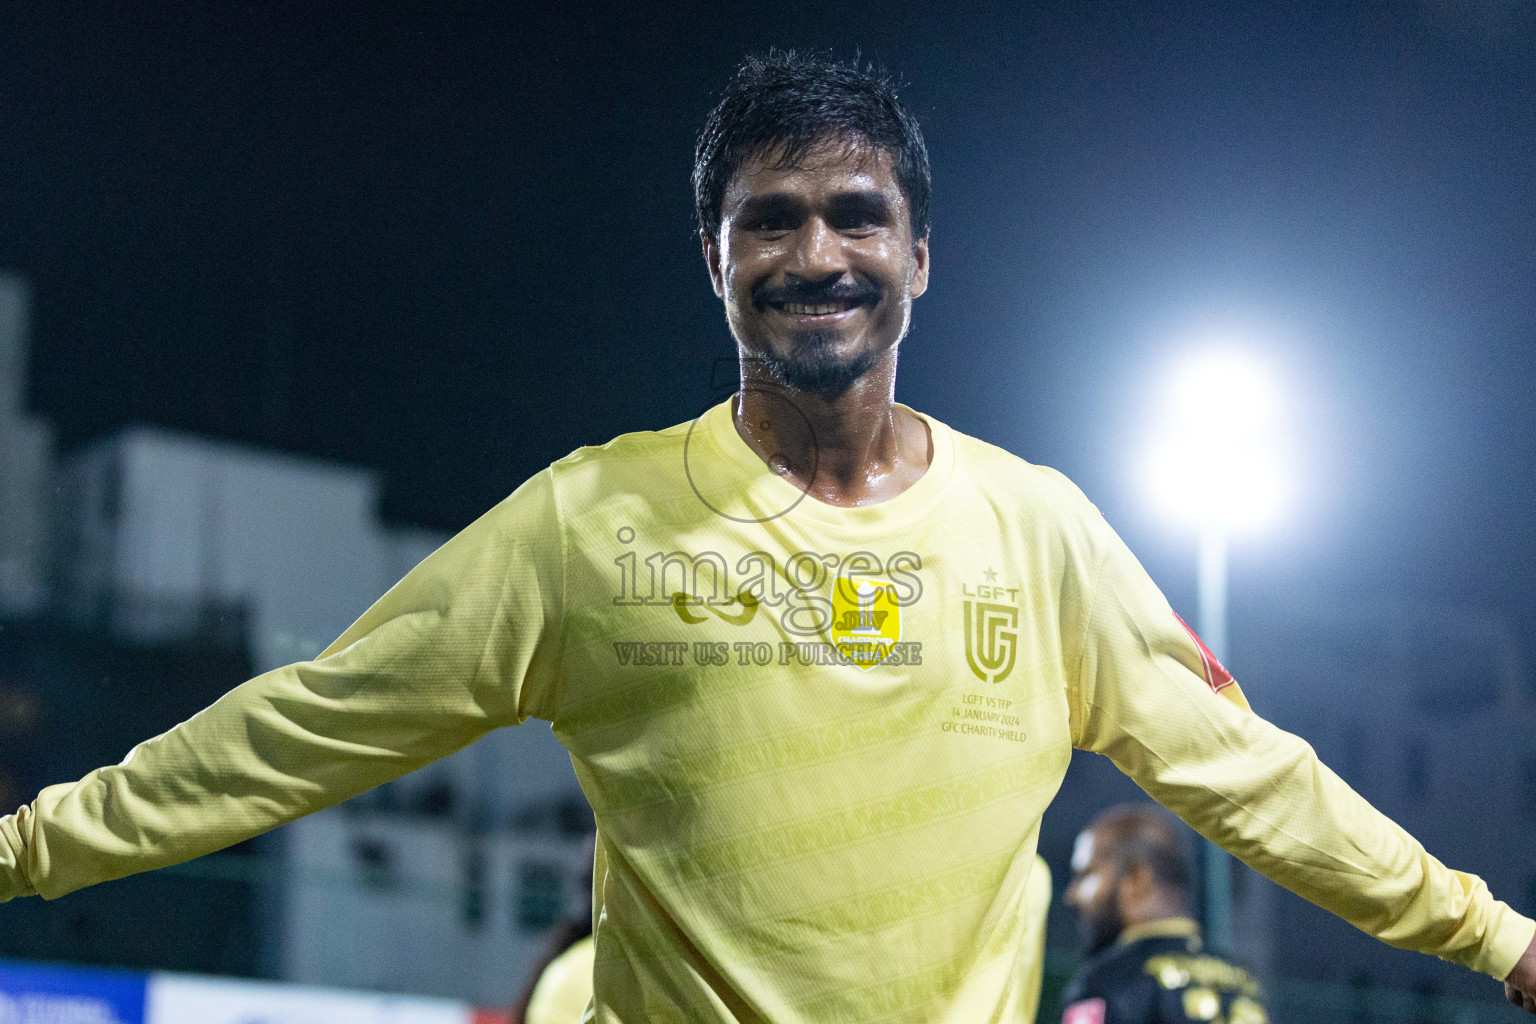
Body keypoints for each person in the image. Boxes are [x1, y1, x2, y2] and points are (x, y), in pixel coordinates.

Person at [3, 50, 1535, 1023]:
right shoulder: (587, 526)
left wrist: (1500, 942)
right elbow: (299, 728)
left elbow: (1249, 776)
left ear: (921, 256)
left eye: (858, 215)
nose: (819, 255)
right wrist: (23, 852)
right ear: (715, 261)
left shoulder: (1039, 531)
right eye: (770, 219)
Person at [1060, 804, 1265, 1024]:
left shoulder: (1107, 983)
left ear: (1137, 880)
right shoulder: (1244, 981)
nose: (1071, 896)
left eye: (1085, 875)